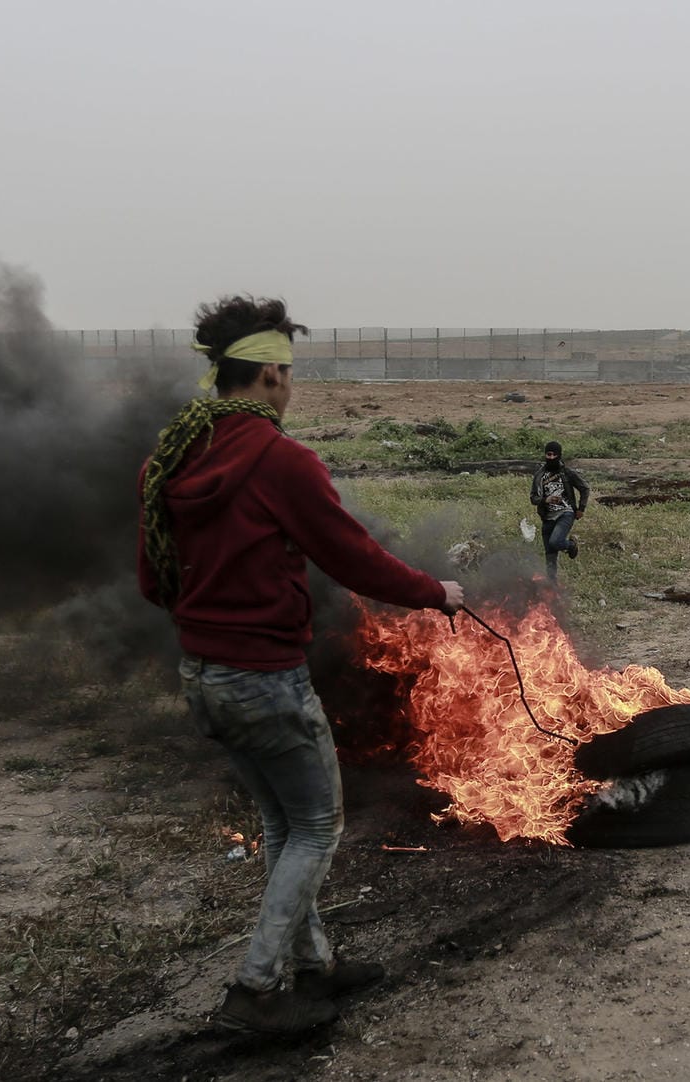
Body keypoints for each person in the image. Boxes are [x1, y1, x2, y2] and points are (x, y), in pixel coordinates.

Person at [137, 295, 464, 1036]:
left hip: (204, 676)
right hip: (265, 681)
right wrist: (434, 593)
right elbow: (352, 555)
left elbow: (154, 580)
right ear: (272, 375)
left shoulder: (170, 458)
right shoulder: (281, 461)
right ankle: (256, 990)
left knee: (284, 825)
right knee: (316, 825)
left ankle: (314, 962)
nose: (292, 386)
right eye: (289, 373)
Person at [529, 440, 589, 579]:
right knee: (550, 555)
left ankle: (571, 545)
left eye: (553, 455)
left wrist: (581, 508)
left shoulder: (567, 473)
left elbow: (584, 488)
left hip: (565, 512)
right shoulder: (539, 475)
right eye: (548, 454)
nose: (550, 457)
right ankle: (552, 586)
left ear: (559, 455)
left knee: (555, 542)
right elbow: (533, 498)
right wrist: (546, 500)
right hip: (547, 516)